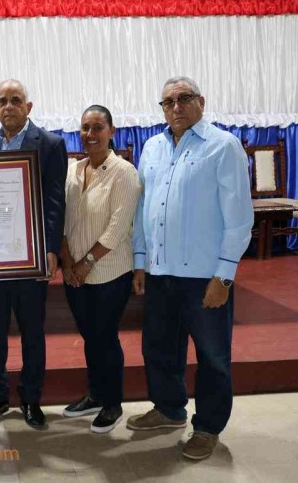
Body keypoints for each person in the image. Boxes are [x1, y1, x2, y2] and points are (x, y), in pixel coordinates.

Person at [128, 77, 253, 460]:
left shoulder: (223, 146)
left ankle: (208, 427)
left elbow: (239, 218)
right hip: (160, 272)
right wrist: (140, 261)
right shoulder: (152, 147)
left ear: (201, 101)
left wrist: (224, 275)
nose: (176, 107)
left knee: (213, 356)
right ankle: (169, 409)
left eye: (183, 99)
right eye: (168, 102)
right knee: (159, 347)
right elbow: (143, 209)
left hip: (204, 277)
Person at [0, 79, 67, 430]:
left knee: (32, 332)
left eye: (16, 100)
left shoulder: (50, 144)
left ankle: (31, 398)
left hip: (30, 258)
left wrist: (50, 249)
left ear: (28, 107)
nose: (9, 106)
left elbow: (54, 201)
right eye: (2, 101)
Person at [59, 105, 140, 433]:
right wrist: (67, 261)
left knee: (105, 337)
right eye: (85, 128)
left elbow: (118, 227)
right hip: (74, 273)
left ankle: (112, 403)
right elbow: (62, 219)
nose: (90, 134)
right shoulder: (72, 170)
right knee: (90, 336)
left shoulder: (124, 172)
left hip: (109, 272)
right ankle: (95, 394)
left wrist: (85, 263)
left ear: (111, 131)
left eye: (97, 127)